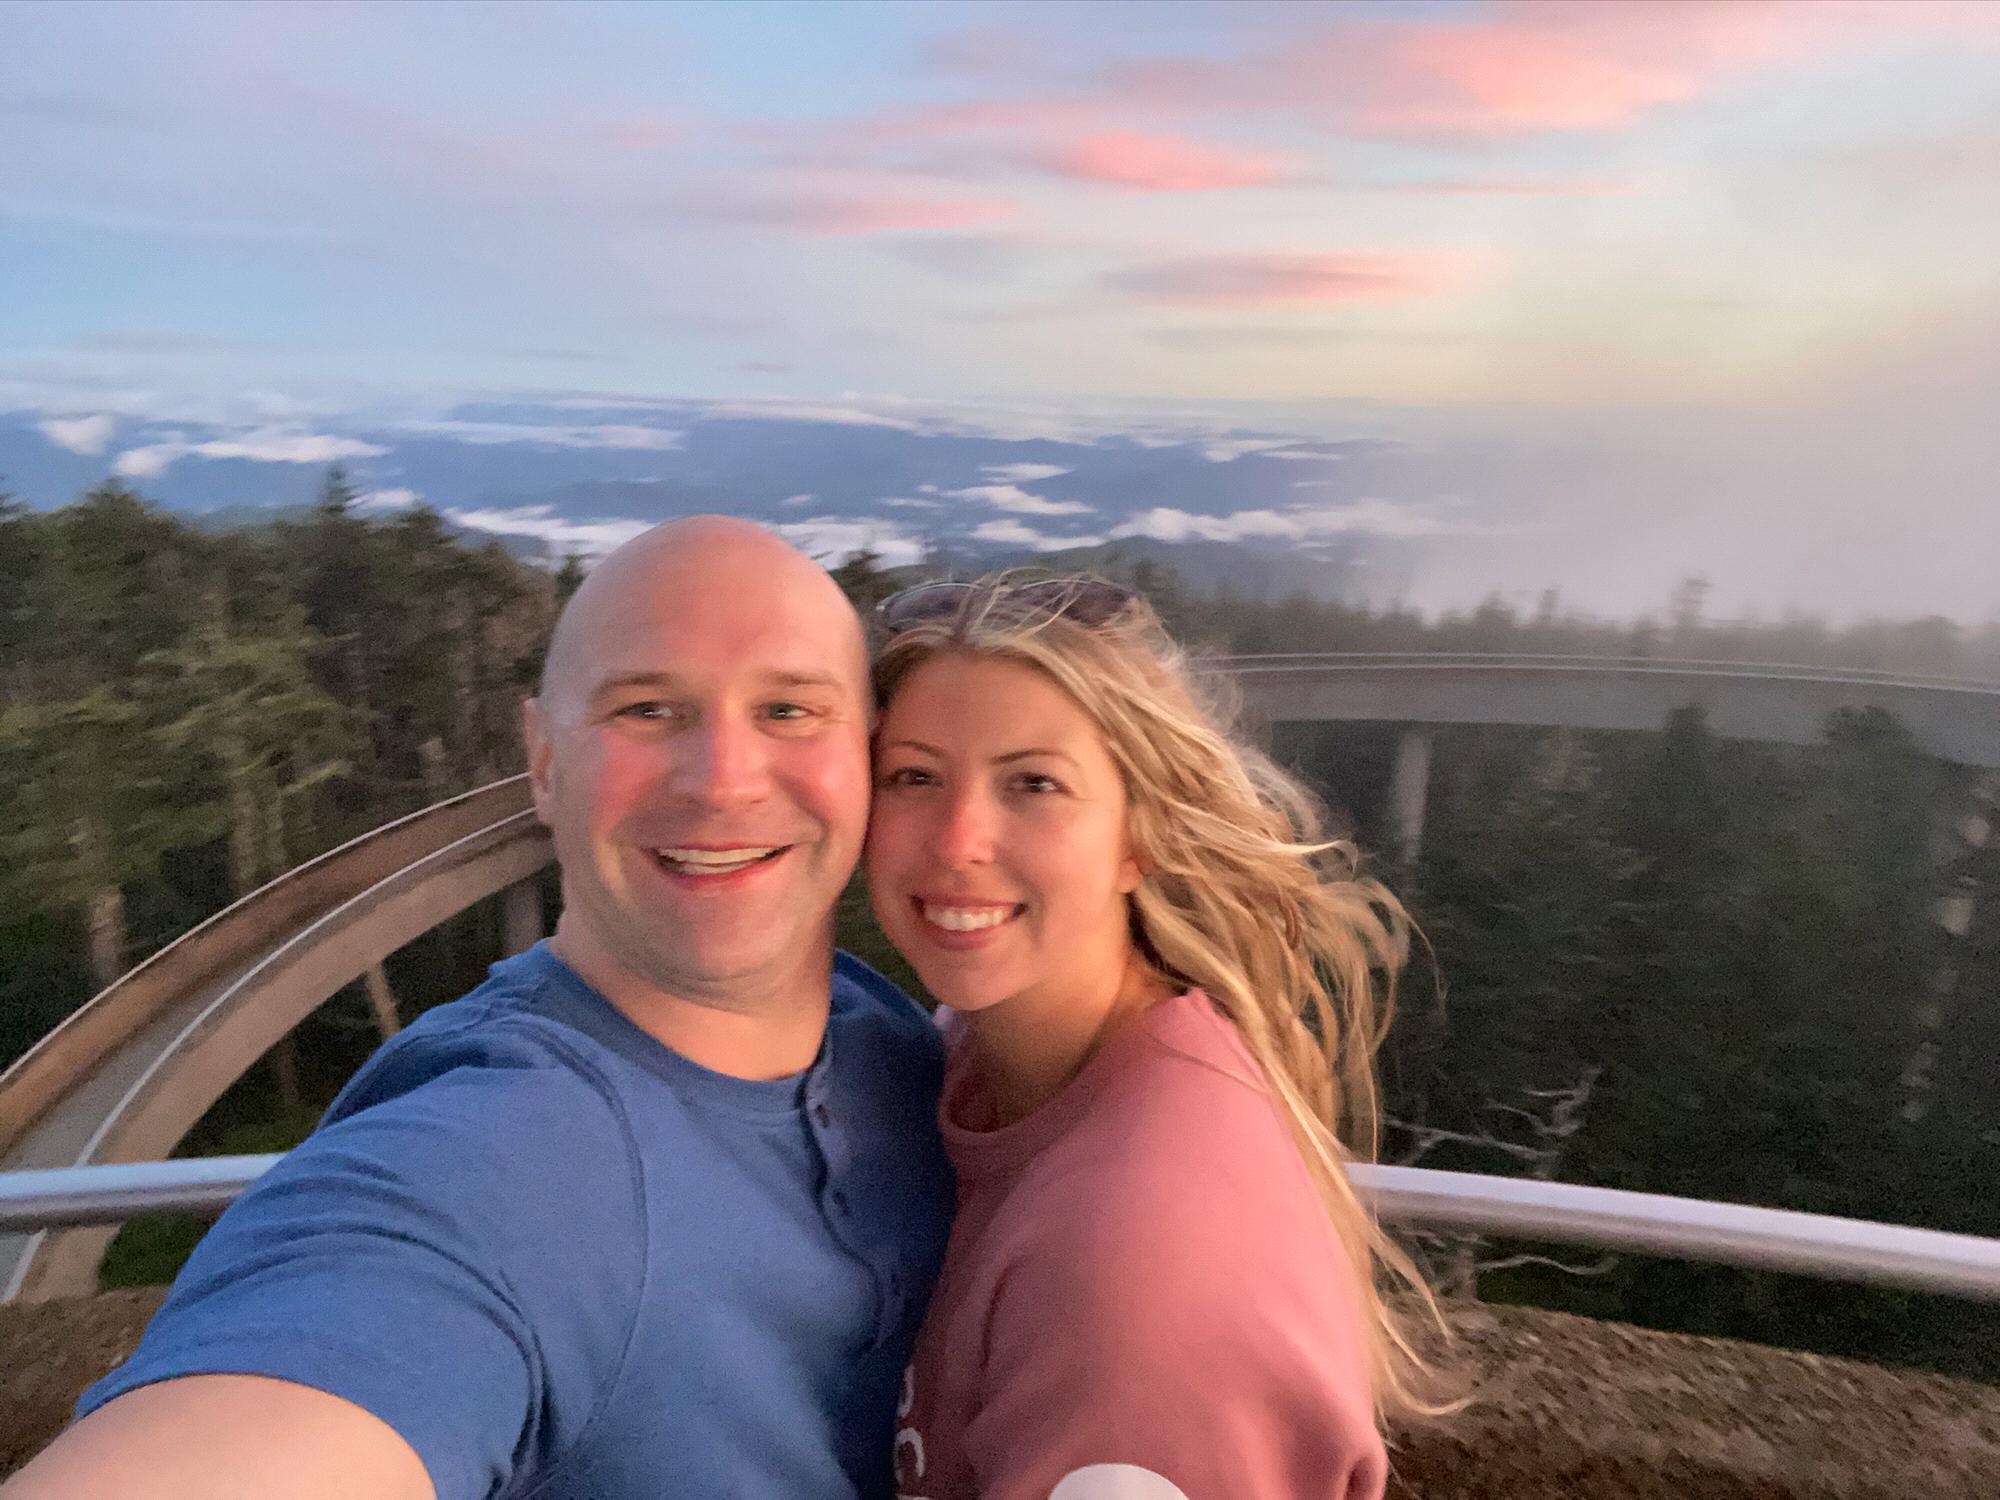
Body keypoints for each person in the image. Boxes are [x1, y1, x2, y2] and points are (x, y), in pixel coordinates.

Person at [5, 518, 953, 1500]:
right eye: (645, 710)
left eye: (789, 710)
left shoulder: (893, 1041)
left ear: (870, 755)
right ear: (543, 763)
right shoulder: (494, 1169)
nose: (722, 778)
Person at [865, 576, 1446, 1500]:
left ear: (1141, 837)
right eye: (914, 777)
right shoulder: (973, 1053)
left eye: (1034, 784)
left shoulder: (1137, 1262)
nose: (958, 839)